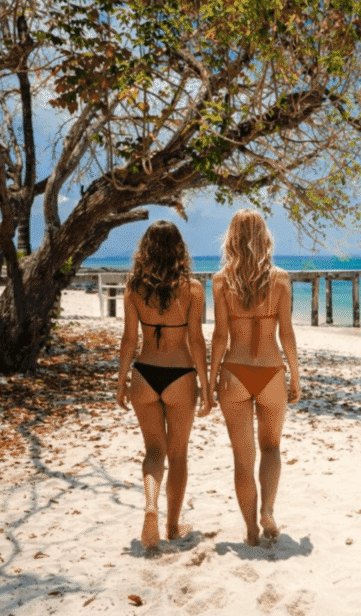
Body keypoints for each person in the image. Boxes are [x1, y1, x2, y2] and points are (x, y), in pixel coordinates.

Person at [117, 220, 212, 549]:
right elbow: (197, 341)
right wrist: (207, 386)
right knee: (179, 454)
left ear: (146, 248)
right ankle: (171, 526)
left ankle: (150, 508)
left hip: (144, 374)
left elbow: (129, 340)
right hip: (180, 376)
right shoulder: (193, 289)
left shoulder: (133, 287)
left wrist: (120, 382)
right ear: (179, 249)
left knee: (154, 453)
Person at [210, 209, 301, 547]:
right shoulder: (280, 279)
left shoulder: (221, 281)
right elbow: (287, 334)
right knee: (272, 447)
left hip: (235, 371)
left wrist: (210, 378)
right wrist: (296, 376)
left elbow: (220, 336)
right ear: (264, 237)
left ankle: (250, 528)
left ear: (232, 239)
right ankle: (267, 511)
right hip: (270, 370)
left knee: (242, 457)